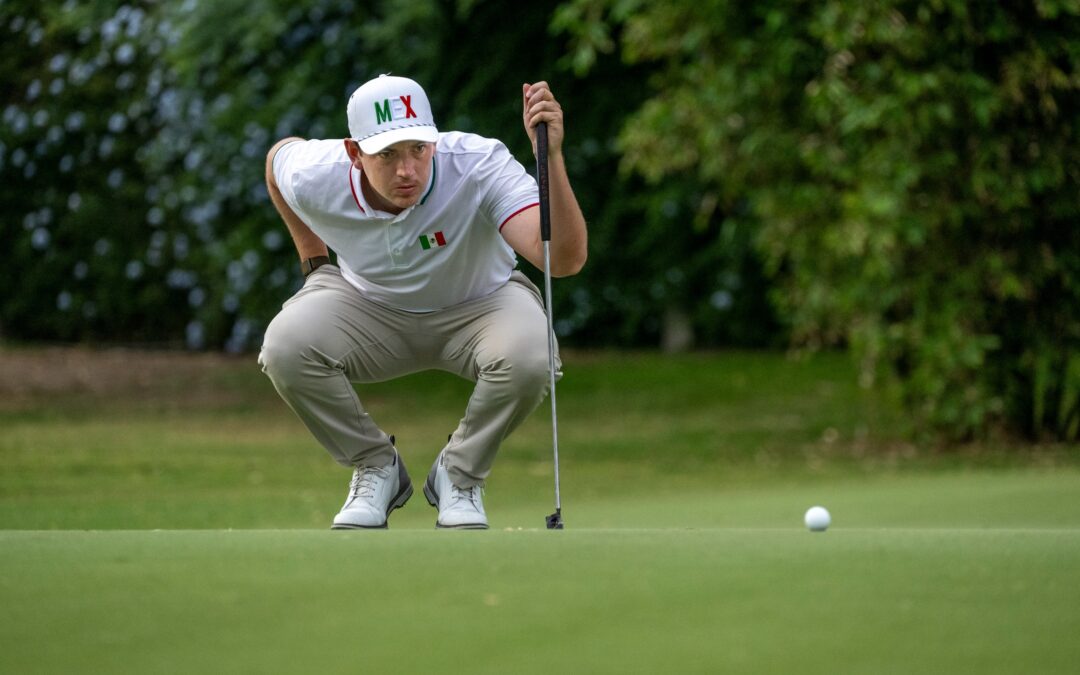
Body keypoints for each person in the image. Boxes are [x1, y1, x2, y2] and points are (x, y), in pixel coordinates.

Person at [259, 75, 587, 529]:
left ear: (434, 140)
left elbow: (565, 261)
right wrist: (315, 262)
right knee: (285, 346)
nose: (407, 170)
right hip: (368, 308)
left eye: (418, 148)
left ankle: (460, 474)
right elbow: (277, 160)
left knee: (531, 355)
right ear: (354, 153)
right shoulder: (315, 172)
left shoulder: (477, 164)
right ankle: (376, 467)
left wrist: (549, 157)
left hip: (481, 305)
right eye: (387, 154)